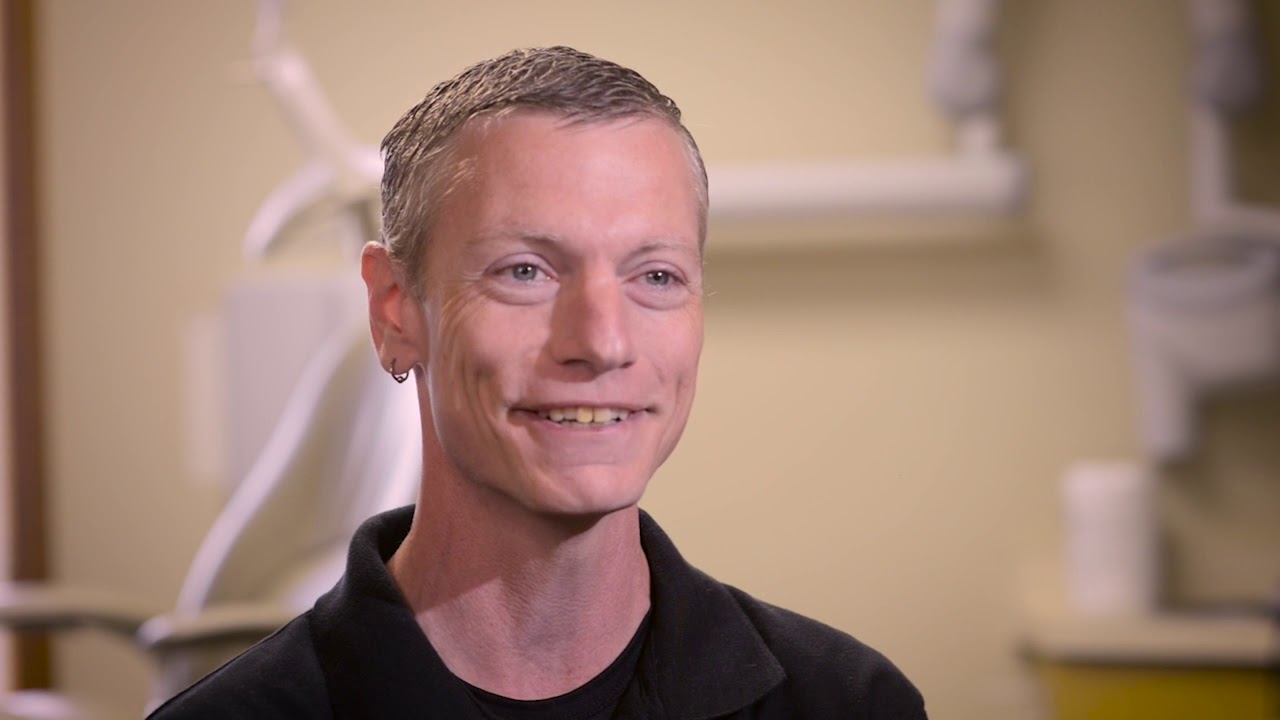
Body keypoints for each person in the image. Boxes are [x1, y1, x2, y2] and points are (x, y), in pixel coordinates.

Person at [150, 46, 926, 719]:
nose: (602, 342)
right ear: (395, 310)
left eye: (656, 275)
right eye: (525, 272)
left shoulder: (849, 704)